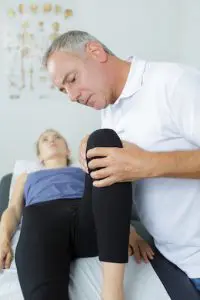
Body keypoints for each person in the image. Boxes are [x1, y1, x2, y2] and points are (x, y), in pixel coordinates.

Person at [43, 30, 200, 295]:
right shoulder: (110, 112)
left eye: (72, 79)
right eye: (63, 90)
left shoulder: (173, 82)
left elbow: (144, 163)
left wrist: (148, 164)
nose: (71, 96)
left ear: (96, 52)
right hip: (172, 260)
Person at [0, 129, 154, 300]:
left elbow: (107, 201)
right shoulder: (27, 177)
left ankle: (113, 294)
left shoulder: (84, 171)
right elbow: (13, 210)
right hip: (42, 222)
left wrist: (128, 230)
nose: (52, 141)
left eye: (57, 137)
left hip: (86, 220)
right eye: (45, 139)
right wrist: (3, 240)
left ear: (68, 150)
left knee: (103, 142)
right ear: (39, 156)